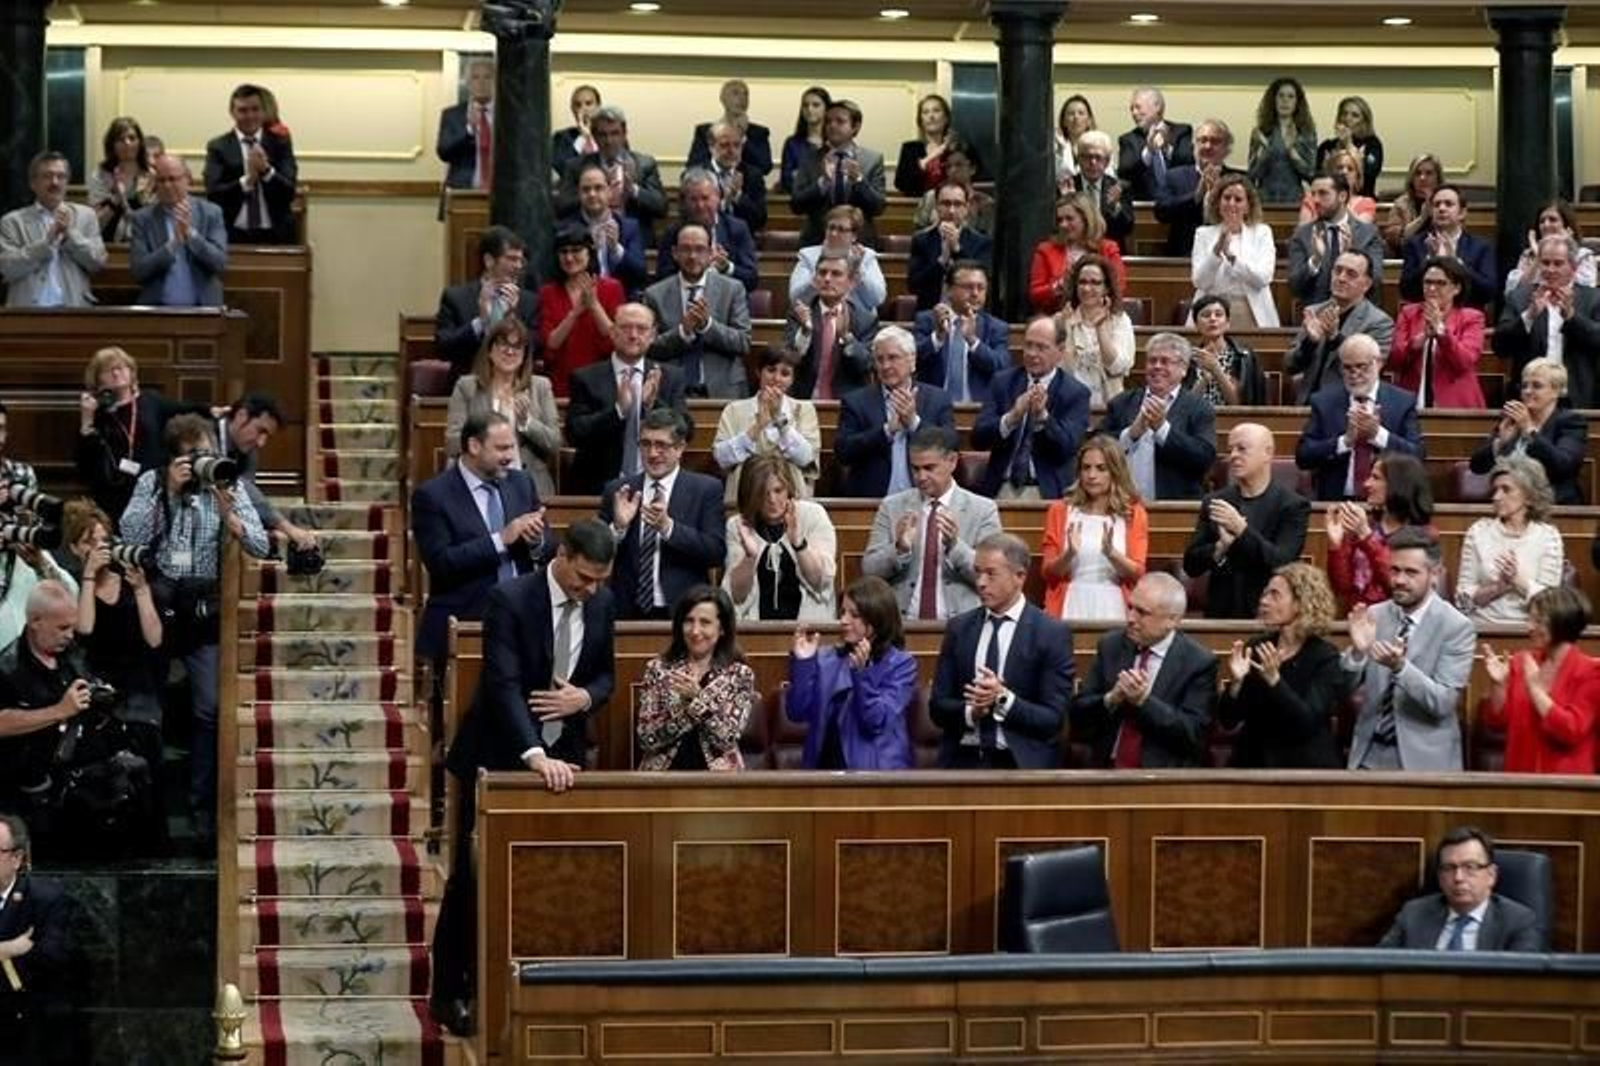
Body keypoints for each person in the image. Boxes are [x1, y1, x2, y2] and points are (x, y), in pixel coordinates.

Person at [430, 520, 617, 1037]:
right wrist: (533, 755)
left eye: (599, 580)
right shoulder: (510, 600)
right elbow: (504, 685)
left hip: (569, 757)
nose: (590, 590)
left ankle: (540, 987)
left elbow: (606, 675)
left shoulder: (602, 602)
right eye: (583, 578)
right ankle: (451, 991)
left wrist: (586, 698)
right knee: (473, 877)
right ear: (563, 555)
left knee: (557, 874)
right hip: (501, 754)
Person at [118, 415, 269, 840]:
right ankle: (151, 813)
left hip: (204, 610)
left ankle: (204, 809)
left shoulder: (227, 483)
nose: (200, 462)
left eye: (205, 452)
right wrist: (168, 488)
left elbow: (260, 544)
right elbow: (128, 537)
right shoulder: (151, 482)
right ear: (172, 457)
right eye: (190, 456)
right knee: (147, 709)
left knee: (209, 709)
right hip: (158, 606)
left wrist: (231, 515)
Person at [60, 501, 166, 851]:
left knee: (146, 744)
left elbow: (154, 638)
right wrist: (89, 576)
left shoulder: (130, 580)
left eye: (105, 539)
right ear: (76, 548)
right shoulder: (72, 585)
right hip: (97, 680)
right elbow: (85, 629)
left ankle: (150, 839)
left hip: (137, 679)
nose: (101, 547)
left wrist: (141, 589)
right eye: (91, 541)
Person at [411, 411, 546, 666]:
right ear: (474, 445)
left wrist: (536, 540)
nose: (509, 457)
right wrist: (501, 539)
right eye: (501, 448)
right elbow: (441, 563)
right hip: (465, 623)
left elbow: (545, 545)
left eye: (512, 448)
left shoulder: (521, 483)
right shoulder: (433, 496)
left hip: (524, 621)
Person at [931, 533, 1074, 769]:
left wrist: (1003, 699)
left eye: (991, 573)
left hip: (1020, 763)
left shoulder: (1051, 634)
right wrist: (971, 712)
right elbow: (938, 707)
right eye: (977, 572)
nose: (980, 582)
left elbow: (1052, 719)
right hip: (964, 759)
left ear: (1019, 576)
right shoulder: (959, 629)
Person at [1344, 527, 1474, 772]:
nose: (1399, 580)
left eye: (1410, 572)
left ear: (1434, 574)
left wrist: (1401, 668)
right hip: (1368, 757)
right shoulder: (1374, 615)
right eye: (1394, 570)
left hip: (1424, 764)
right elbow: (1341, 688)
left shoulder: (1456, 627)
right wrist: (1359, 653)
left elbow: (1442, 702)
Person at [1069, 571, 1216, 769]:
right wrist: (1111, 699)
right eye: (1130, 608)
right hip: (1105, 770)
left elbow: (1193, 734)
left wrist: (1144, 702)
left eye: (1142, 612)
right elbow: (1078, 715)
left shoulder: (1198, 662)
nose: (1130, 618)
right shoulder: (1111, 645)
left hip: (1161, 779)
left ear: (1172, 620)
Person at [861, 425, 1001, 620]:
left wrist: (955, 547)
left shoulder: (983, 510)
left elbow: (993, 575)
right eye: (915, 469)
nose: (921, 477)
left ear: (952, 461)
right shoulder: (892, 507)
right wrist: (899, 549)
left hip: (960, 626)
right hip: (902, 624)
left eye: (929, 468)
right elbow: (869, 570)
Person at [598, 408, 725, 621]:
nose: (652, 453)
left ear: (680, 448)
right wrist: (618, 528)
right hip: (626, 609)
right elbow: (595, 552)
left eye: (661, 445)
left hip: (684, 611)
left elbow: (715, 552)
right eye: (646, 444)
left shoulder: (706, 489)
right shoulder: (619, 490)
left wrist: (669, 528)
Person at [1218, 563, 1349, 768]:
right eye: (1264, 594)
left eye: (1274, 595)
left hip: (1303, 769)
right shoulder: (1257, 647)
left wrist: (1275, 681)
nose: (1264, 601)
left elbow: (1306, 723)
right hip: (1252, 763)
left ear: (1301, 603)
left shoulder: (1325, 657)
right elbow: (1228, 720)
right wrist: (1236, 684)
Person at [787, 575, 917, 771]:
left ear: (877, 618)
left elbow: (875, 721)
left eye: (854, 615)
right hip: (823, 772)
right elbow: (796, 712)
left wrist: (862, 674)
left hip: (875, 775)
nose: (843, 620)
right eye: (842, 612)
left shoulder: (900, 665)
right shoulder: (826, 659)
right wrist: (804, 663)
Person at [1183, 423, 1310, 619]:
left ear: (1267, 453)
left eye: (1241, 449)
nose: (1233, 455)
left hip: (1268, 616)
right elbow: (1191, 565)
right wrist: (1220, 548)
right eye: (1230, 449)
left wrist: (1242, 530)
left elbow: (1283, 562)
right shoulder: (1215, 502)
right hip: (1220, 615)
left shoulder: (1292, 506)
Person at [564, 302, 689, 496]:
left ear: (653, 335)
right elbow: (575, 433)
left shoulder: (671, 377)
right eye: (626, 328)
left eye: (641, 329)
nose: (633, 335)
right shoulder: (585, 378)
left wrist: (652, 405)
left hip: (657, 485)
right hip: (598, 486)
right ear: (612, 332)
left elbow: (685, 431)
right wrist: (618, 411)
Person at [73, 347, 208, 520]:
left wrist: (212, 409)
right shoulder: (97, 413)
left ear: (131, 373)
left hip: (152, 490)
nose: (116, 373)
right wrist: (87, 420)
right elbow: (84, 464)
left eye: (121, 368)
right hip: (111, 496)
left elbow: (185, 408)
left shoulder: (151, 401)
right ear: (98, 380)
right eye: (108, 370)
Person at [636, 586, 757, 771]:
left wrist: (697, 700)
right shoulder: (658, 670)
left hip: (720, 781)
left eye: (705, 622)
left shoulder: (739, 675)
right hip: (662, 778)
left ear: (722, 628)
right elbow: (647, 738)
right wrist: (692, 711)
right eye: (689, 621)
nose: (695, 631)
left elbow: (726, 739)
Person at [971, 316, 1092, 500]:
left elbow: (1067, 448)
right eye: (1028, 345)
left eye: (1041, 347)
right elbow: (978, 439)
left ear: (1060, 351)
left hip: (1047, 492)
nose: (1032, 353)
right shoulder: (1002, 382)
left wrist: (1043, 418)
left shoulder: (1075, 393)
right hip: (1000, 488)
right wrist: (1011, 418)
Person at [1482, 586, 1599, 775]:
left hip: (1567, 787)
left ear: (1562, 622)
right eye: (1529, 619)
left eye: (1538, 621)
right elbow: (1496, 722)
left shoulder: (1591, 672)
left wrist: (1536, 690)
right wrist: (1499, 685)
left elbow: (1571, 730)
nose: (1529, 627)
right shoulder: (1521, 662)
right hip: (1518, 780)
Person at [1296, 334, 1423, 501]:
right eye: (1347, 368)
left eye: (1361, 366)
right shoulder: (1323, 402)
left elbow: (1417, 456)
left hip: (1388, 506)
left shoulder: (1402, 402)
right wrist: (1344, 442)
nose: (1354, 374)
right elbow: (1303, 456)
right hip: (1336, 503)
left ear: (1378, 363)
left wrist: (1378, 435)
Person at [444, 318, 561, 498]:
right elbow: (452, 442)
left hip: (528, 484)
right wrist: (487, 450)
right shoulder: (467, 387)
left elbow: (554, 443)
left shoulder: (540, 387)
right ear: (490, 351)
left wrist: (526, 423)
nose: (509, 351)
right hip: (477, 481)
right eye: (502, 344)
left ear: (524, 355)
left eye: (517, 347)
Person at [834, 327, 955, 498]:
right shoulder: (856, 401)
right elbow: (843, 452)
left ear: (912, 361)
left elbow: (951, 444)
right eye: (879, 359)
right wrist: (887, 431)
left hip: (925, 500)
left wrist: (914, 423)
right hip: (872, 503)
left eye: (893, 358)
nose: (885, 366)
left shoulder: (937, 399)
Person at [1040, 435, 1148, 623]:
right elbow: (1048, 574)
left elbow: (1137, 574)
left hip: (1114, 606)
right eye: (1086, 468)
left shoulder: (1134, 514)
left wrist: (1112, 554)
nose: (1091, 475)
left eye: (1101, 469)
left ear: (1115, 471)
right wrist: (1069, 553)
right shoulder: (1060, 511)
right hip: (1070, 603)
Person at [1378, 827, 1541, 951]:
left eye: (1470, 867)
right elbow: (1380, 965)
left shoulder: (1518, 921)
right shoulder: (1414, 914)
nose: (1458, 878)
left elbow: (1523, 986)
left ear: (1491, 875)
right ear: (1440, 877)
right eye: (1449, 868)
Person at [1098, 332, 1217, 501]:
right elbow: (1096, 446)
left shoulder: (1198, 408)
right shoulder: (1122, 402)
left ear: (1183, 369)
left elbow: (1204, 458)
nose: (1157, 366)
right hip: (1120, 504)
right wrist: (1130, 435)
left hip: (1173, 510)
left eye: (1165, 361)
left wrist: (1162, 430)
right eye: (1152, 360)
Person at [642, 222, 753, 399]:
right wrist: (682, 332)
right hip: (672, 392)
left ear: (711, 254)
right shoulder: (655, 294)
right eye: (685, 249)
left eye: (699, 249)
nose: (692, 256)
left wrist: (708, 326)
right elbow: (647, 346)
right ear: (675, 253)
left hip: (723, 389)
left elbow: (743, 342)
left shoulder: (732, 289)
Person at [723, 456, 836, 622]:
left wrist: (799, 544)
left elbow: (821, 582)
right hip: (755, 628)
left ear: (788, 489)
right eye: (763, 493)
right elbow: (737, 596)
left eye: (778, 490)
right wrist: (750, 556)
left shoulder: (812, 515)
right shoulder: (738, 525)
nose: (772, 500)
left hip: (809, 627)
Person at [1455, 457, 1564, 627]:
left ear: (1529, 497)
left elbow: (1552, 607)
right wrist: (1497, 588)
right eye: (1495, 490)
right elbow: (1462, 603)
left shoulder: (1548, 536)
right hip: (1482, 629)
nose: (1496, 497)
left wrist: (1517, 581)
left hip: (1530, 631)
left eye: (1506, 490)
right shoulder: (1478, 532)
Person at [1494, 234, 1600, 410]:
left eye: (1558, 263)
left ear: (1573, 267)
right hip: (1530, 401)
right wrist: (1529, 316)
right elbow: (1500, 346)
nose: (1550, 269)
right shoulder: (1520, 298)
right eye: (1545, 263)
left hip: (1578, 400)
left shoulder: (1593, 299)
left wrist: (1572, 317)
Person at [1326, 453, 1436, 613]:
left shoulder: (1424, 534)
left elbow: (1397, 583)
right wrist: (1336, 546)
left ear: (1397, 484)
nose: (1366, 484)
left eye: (1375, 478)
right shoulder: (1365, 526)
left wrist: (1366, 537)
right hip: (1360, 618)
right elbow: (1342, 587)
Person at [0, 814, 70, 1066]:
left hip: (23, 1021)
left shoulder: (44, 897)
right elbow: (16, 948)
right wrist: (7, 948)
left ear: (16, 858)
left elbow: (52, 954)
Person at [1470, 357, 1586, 506]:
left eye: (1537, 386)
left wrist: (1530, 431)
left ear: (1556, 391)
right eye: (1524, 386)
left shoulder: (1571, 422)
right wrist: (1499, 443)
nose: (1528, 391)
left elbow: (1562, 466)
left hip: (1555, 505)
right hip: (1509, 504)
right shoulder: (1513, 418)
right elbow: (1477, 466)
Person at [713, 347, 820, 502]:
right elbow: (722, 458)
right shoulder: (734, 410)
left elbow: (806, 458)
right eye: (771, 370)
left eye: (785, 374)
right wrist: (757, 428)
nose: (776, 378)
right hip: (742, 502)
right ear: (759, 372)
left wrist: (780, 420)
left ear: (792, 379)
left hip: (791, 502)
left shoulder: (804, 410)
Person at [216, 393, 318, 556]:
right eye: (260, 431)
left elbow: (246, 494)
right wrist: (287, 528)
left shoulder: (248, 450)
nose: (261, 442)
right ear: (242, 415)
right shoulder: (202, 434)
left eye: (266, 436)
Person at [1, 151, 106, 309]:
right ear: (33, 183)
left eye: (61, 176)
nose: (55, 182)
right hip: (26, 313)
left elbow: (98, 263)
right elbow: (6, 269)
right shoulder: (12, 221)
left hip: (74, 310)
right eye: (47, 176)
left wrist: (70, 236)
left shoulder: (86, 216)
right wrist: (46, 244)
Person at [1286, 252, 1394, 402]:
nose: (1341, 278)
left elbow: (1366, 372)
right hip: (1308, 404)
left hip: (1348, 406)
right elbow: (1290, 365)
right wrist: (1310, 344)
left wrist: (1335, 338)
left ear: (1367, 284)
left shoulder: (1379, 322)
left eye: (1351, 274)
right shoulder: (1314, 312)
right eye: (1337, 271)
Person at [434, 225, 538, 379]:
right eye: (511, 259)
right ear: (489, 260)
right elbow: (443, 348)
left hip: (515, 388)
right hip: (468, 387)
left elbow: (535, 349)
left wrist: (512, 319)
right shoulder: (455, 298)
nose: (518, 266)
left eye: (520, 260)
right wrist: (481, 322)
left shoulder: (529, 301)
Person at [554, 105, 668, 241]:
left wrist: (634, 191)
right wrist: (592, 194)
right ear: (594, 136)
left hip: (634, 241)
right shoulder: (576, 166)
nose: (609, 141)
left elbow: (661, 207)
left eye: (615, 133)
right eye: (603, 135)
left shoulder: (644, 164)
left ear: (624, 134)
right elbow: (562, 206)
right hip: (589, 240)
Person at [127, 154, 228, 308]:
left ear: (187, 178)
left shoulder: (211, 213)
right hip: (157, 311)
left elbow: (219, 263)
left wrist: (191, 235)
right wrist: (172, 246)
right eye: (161, 180)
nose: (167, 185)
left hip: (204, 310)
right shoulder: (142, 219)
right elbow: (139, 271)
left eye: (173, 179)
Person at [203, 83, 298, 245]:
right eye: (243, 110)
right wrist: (247, 181)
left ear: (263, 111)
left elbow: (289, 191)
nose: (250, 116)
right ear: (232, 112)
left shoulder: (280, 143)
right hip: (232, 234)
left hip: (275, 234)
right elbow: (214, 194)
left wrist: (266, 171)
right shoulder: (219, 146)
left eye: (255, 109)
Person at [1389, 255, 1486, 410]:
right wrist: (1420, 340)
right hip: (1411, 401)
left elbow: (1464, 361)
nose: (1432, 288)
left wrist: (1441, 331)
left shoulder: (1472, 318)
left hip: (1456, 405)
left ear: (1456, 288)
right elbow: (1394, 360)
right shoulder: (1408, 314)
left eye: (1440, 283)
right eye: (1428, 282)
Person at [538, 226, 625, 397]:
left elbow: (617, 339)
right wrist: (575, 313)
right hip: (561, 379)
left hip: (601, 379)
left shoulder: (612, 288)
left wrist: (594, 306)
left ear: (589, 252)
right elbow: (551, 343)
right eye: (563, 252)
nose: (569, 258)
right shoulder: (548, 292)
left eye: (576, 250)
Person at [790, 99, 887, 247]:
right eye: (828, 121)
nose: (832, 126)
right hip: (817, 242)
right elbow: (796, 205)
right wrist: (822, 183)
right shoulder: (810, 158)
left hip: (859, 243)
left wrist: (859, 180)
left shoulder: (872, 160)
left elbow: (878, 207)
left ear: (855, 127)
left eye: (840, 121)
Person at [782, 249, 876, 400]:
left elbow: (866, 365)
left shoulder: (864, 319)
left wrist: (847, 338)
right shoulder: (800, 312)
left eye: (836, 274)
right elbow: (789, 359)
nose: (827, 279)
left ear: (851, 283)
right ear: (814, 279)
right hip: (804, 400)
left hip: (846, 404)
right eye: (822, 273)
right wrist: (805, 332)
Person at [912, 261, 1009, 405]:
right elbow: (912, 361)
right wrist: (937, 338)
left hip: (977, 408)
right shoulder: (928, 320)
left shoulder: (996, 327)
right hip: (933, 407)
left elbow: (1002, 368)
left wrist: (973, 341)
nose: (975, 294)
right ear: (948, 289)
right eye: (968, 287)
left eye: (981, 288)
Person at [1190, 172, 1278, 328]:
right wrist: (1216, 252)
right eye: (1226, 198)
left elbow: (1262, 278)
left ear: (1247, 206)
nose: (1231, 203)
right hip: (1212, 313)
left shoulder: (1262, 233)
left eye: (1238, 199)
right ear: (1218, 202)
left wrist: (1232, 258)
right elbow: (1200, 281)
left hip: (1250, 311)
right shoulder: (1203, 234)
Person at [1288, 174, 1385, 308]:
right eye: (1313, 194)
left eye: (1323, 194)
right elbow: (1294, 286)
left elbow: (1375, 281)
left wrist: (1351, 256)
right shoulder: (1303, 234)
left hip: (1357, 315)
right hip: (1316, 314)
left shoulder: (1367, 233)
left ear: (1342, 196)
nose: (1315, 200)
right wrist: (1315, 261)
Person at [654, 168, 759, 293]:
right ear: (685, 202)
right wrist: (691, 265)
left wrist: (727, 268)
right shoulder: (673, 233)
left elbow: (751, 279)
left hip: (726, 302)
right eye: (693, 199)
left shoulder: (736, 229)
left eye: (705, 198)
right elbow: (663, 278)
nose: (700, 206)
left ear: (718, 197)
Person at [1154, 118, 1243, 257]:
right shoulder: (1174, 176)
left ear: (1227, 148)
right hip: (1185, 257)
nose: (1208, 146)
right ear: (1194, 145)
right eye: (1203, 140)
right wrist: (1196, 196)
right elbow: (1161, 212)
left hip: (1230, 256)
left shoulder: (1239, 180)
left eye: (1215, 141)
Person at [558, 161, 648, 296]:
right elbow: (556, 274)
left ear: (610, 191)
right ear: (578, 194)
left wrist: (616, 250)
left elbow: (640, 274)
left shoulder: (629, 227)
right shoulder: (565, 228)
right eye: (586, 189)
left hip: (621, 301)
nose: (592, 194)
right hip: (577, 298)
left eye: (598, 188)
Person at [1055, 255, 1135, 406]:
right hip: (1069, 406)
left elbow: (1117, 367)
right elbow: (1063, 372)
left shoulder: (1120, 321)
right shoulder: (1060, 320)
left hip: (1109, 406)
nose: (1087, 288)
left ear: (1107, 287)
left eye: (1095, 283)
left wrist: (1100, 329)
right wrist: (1067, 328)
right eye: (1082, 282)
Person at [1028, 193, 1126, 314]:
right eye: (1060, 220)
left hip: (1100, 316)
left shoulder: (1108, 248)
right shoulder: (1045, 250)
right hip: (1057, 319)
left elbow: (1118, 287)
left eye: (1069, 218)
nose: (1063, 225)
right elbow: (1035, 295)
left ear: (1086, 219)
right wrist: (1058, 286)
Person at [1399, 185, 1496, 307]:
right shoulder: (1415, 244)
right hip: (1426, 313)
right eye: (1436, 204)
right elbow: (1406, 291)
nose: (1441, 208)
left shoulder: (1481, 246)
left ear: (1462, 213)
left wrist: (1457, 263)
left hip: (1467, 316)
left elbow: (1488, 292)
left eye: (1448, 204)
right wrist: (1429, 261)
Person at [789, 204, 887, 318]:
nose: (834, 233)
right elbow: (796, 298)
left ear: (854, 236)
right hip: (817, 320)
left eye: (841, 229)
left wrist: (858, 269)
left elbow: (877, 299)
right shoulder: (808, 256)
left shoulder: (866, 257)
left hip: (858, 324)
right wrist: (818, 273)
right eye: (831, 227)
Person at [907, 182, 992, 311]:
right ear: (936, 206)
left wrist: (957, 250)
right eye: (946, 204)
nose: (952, 211)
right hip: (930, 314)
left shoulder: (981, 242)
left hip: (970, 313)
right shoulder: (921, 240)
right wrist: (942, 260)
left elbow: (981, 283)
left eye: (958, 204)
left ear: (967, 207)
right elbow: (914, 285)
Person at [1185, 295, 1267, 406]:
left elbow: (1238, 404)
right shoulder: (1188, 358)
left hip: (1233, 421)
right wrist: (1204, 380)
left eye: (1218, 315)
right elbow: (1184, 406)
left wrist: (1216, 369)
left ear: (1227, 323)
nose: (1212, 319)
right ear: (1196, 324)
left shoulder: (1243, 358)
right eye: (1206, 315)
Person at [1247, 77, 1317, 204]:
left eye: (1291, 97)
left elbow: (1310, 173)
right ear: (1273, 100)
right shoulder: (1261, 132)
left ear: (1297, 102)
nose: (1285, 101)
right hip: (1264, 200)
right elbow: (1252, 174)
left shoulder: (1306, 133)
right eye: (1281, 96)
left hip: (1294, 200)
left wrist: (1292, 152)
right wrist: (1266, 151)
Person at [686, 78, 774, 180]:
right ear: (722, 98)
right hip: (712, 187)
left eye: (745, 94)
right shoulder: (704, 131)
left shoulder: (759, 133)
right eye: (735, 93)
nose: (742, 98)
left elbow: (765, 167)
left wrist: (742, 136)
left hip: (747, 190)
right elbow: (694, 164)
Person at [1505, 199, 1597, 295]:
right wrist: (1538, 257)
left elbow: (1586, 293)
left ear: (1566, 225)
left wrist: (1567, 250)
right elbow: (1512, 293)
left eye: (1552, 220)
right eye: (1542, 221)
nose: (1546, 225)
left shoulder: (1583, 255)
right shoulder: (1528, 255)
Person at [1118, 86, 1194, 202]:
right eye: (1132, 109)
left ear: (1157, 106)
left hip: (1179, 205)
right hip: (1144, 208)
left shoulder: (1182, 131)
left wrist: (1167, 149)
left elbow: (1188, 163)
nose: (1134, 113)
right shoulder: (1128, 140)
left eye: (1138, 107)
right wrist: (1148, 151)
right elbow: (1125, 173)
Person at [87, 116, 155, 243]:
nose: (127, 143)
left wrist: (144, 200)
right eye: (120, 139)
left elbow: (158, 221)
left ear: (140, 142)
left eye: (132, 138)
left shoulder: (152, 176)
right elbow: (95, 225)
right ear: (112, 145)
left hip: (145, 244)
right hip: (109, 245)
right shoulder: (100, 176)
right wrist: (117, 198)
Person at [1064, 130, 1134, 254]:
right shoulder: (1067, 187)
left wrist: (1115, 208)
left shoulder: (1120, 187)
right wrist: (1068, 202)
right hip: (1073, 251)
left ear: (1107, 162)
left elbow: (1127, 228)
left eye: (1098, 157)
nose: (1093, 163)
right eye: (1087, 157)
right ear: (1078, 159)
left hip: (1109, 253)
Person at [698, 120, 770, 234]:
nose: (732, 151)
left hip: (741, 241)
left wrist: (738, 196)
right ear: (711, 147)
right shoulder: (697, 175)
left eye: (737, 145)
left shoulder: (753, 175)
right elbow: (693, 217)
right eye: (724, 145)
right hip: (706, 238)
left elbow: (760, 220)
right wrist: (723, 202)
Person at [436, 57, 495, 190]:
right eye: (475, 77)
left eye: (487, 77)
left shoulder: (508, 116)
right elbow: (444, 153)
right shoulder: (452, 115)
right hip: (463, 190)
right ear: (468, 83)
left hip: (502, 192)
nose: (481, 83)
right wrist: (469, 130)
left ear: (496, 82)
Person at [895, 93, 969, 198]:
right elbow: (901, 184)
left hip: (953, 207)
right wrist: (930, 157)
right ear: (920, 121)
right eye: (925, 112)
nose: (931, 116)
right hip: (918, 208)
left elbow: (971, 178)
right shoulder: (910, 149)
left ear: (946, 118)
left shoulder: (960, 147)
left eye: (936, 111)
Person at [910, 146, 994, 237]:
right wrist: (934, 228)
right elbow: (916, 236)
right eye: (948, 166)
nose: (952, 170)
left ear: (972, 169)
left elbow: (989, 242)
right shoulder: (930, 198)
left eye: (959, 165)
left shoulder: (985, 203)